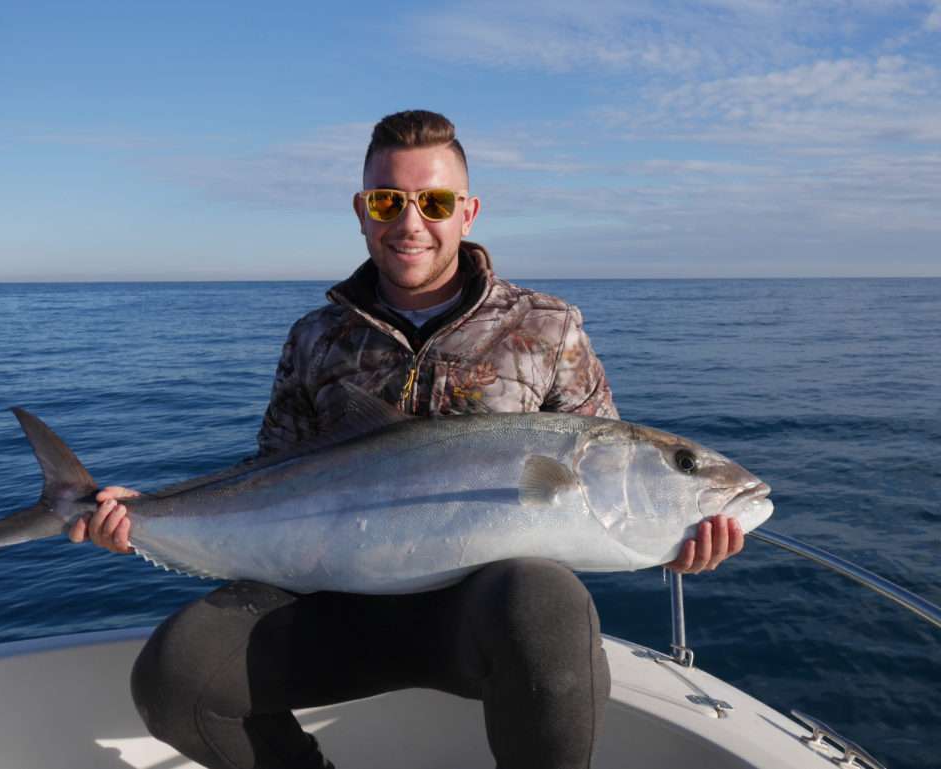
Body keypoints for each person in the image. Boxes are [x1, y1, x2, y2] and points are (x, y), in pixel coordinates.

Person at [71, 110, 745, 769]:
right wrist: (145, 514)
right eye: (389, 200)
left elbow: (609, 484)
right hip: (329, 606)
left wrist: (673, 538)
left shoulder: (547, 328)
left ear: (467, 211)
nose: (410, 222)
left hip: (480, 620)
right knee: (173, 673)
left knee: (550, 605)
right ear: (363, 210)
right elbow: (269, 478)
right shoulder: (317, 337)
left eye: (435, 200)